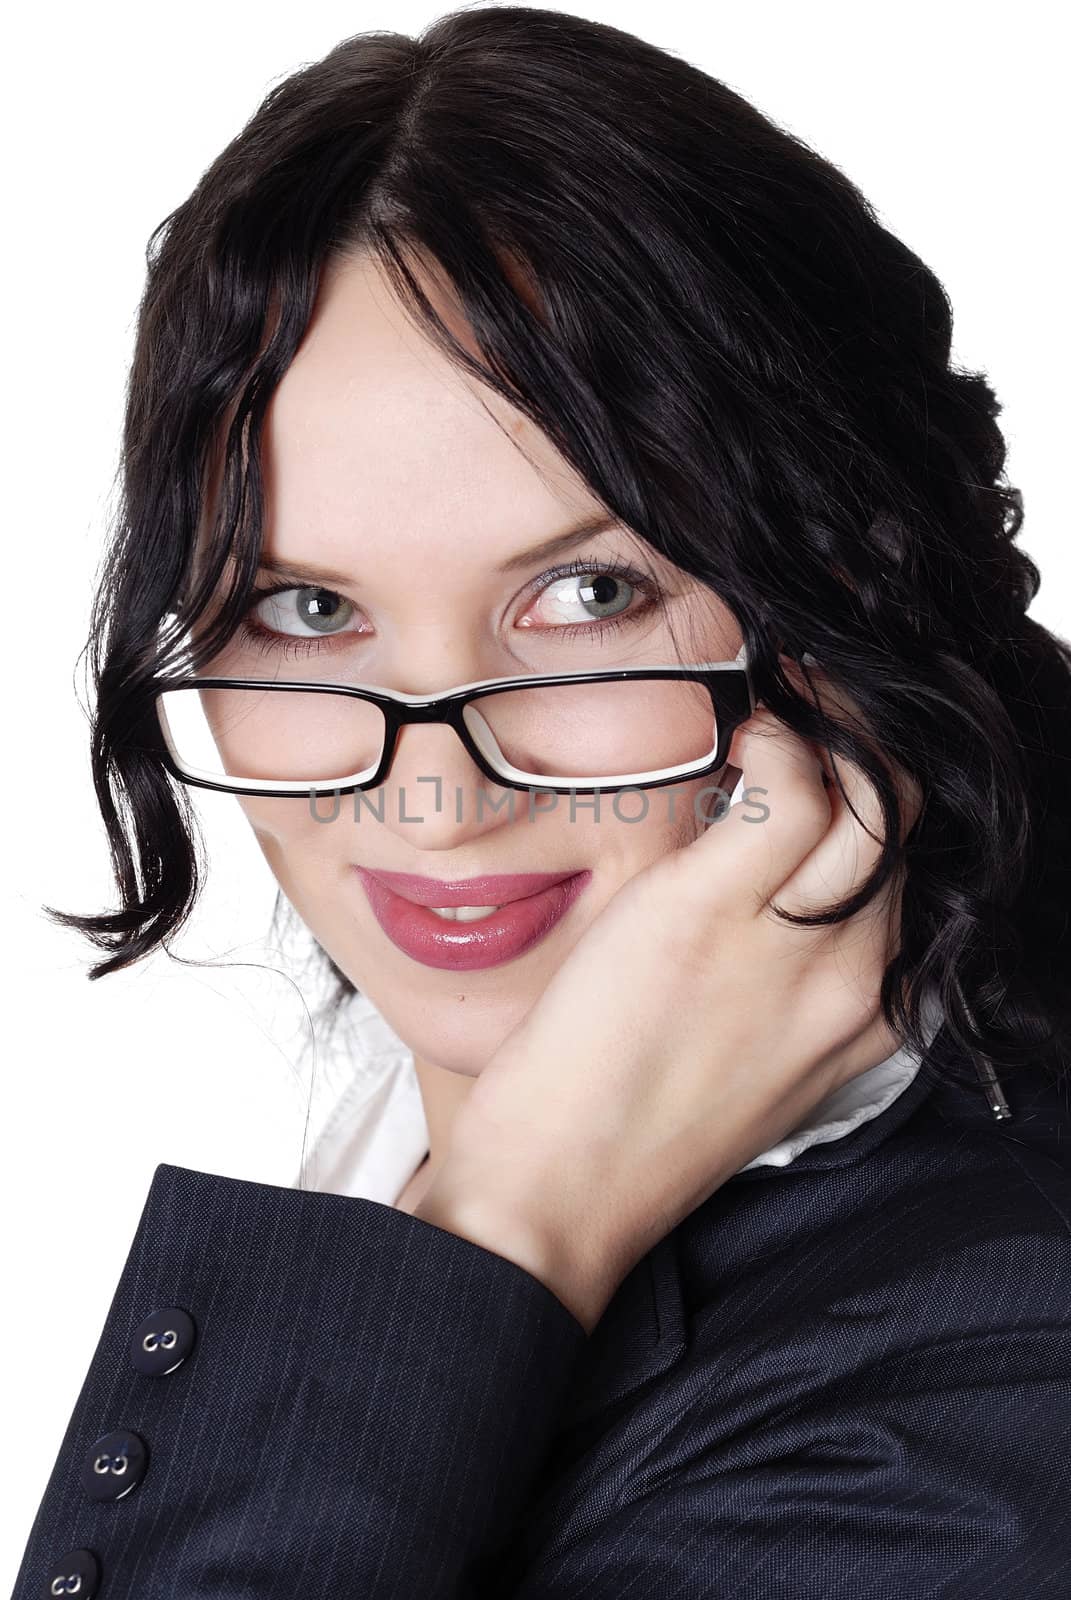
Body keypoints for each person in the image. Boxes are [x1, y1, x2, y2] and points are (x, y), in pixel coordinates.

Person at [13, 7, 1071, 1596]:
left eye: (584, 595)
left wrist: (515, 1222)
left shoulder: (961, 1417)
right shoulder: (387, 1118)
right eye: (304, 610)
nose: (433, 798)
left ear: (847, 596)